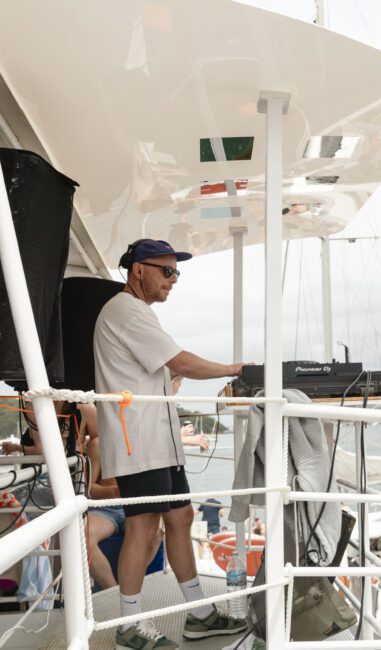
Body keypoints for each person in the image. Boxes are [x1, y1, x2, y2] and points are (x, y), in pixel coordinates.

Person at [93, 239, 247, 649]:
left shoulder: (138, 312)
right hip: (138, 443)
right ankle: (129, 624)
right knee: (142, 528)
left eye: (177, 272)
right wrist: (233, 370)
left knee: (180, 519)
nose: (174, 280)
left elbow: (161, 372)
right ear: (138, 269)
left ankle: (198, 615)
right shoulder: (125, 309)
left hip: (158, 441)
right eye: (167, 271)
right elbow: (179, 362)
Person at [82, 403, 162, 591]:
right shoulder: (98, 444)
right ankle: (113, 592)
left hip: (132, 508)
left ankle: (131, 585)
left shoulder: (144, 443)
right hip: (105, 509)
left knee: (157, 533)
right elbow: (88, 488)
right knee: (85, 538)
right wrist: (116, 492)